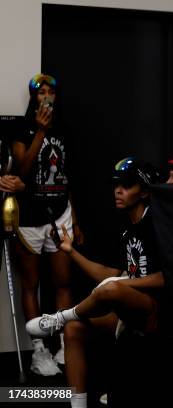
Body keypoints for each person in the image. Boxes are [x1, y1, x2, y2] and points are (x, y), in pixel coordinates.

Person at [25, 157, 163, 408]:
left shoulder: (158, 225)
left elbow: (166, 278)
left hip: (154, 311)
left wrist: (121, 284)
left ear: (144, 191)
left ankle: (60, 317)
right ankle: (78, 405)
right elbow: (108, 273)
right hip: (128, 311)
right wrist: (70, 251)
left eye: (127, 186)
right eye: (116, 185)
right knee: (74, 330)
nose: (118, 191)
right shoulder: (127, 230)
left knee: (110, 287)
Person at [13, 73, 83, 376]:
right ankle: (39, 350)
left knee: (63, 282)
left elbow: (69, 178)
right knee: (31, 284)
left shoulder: (65, 129)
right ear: (33, 97)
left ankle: (64, 344)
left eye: (50, 91)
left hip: (61, 212)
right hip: (29, 216)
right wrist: (39, 132)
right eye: (39, 91)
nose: (45, 96)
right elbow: (20, 173)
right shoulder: (22, 127)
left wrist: (75, 218)